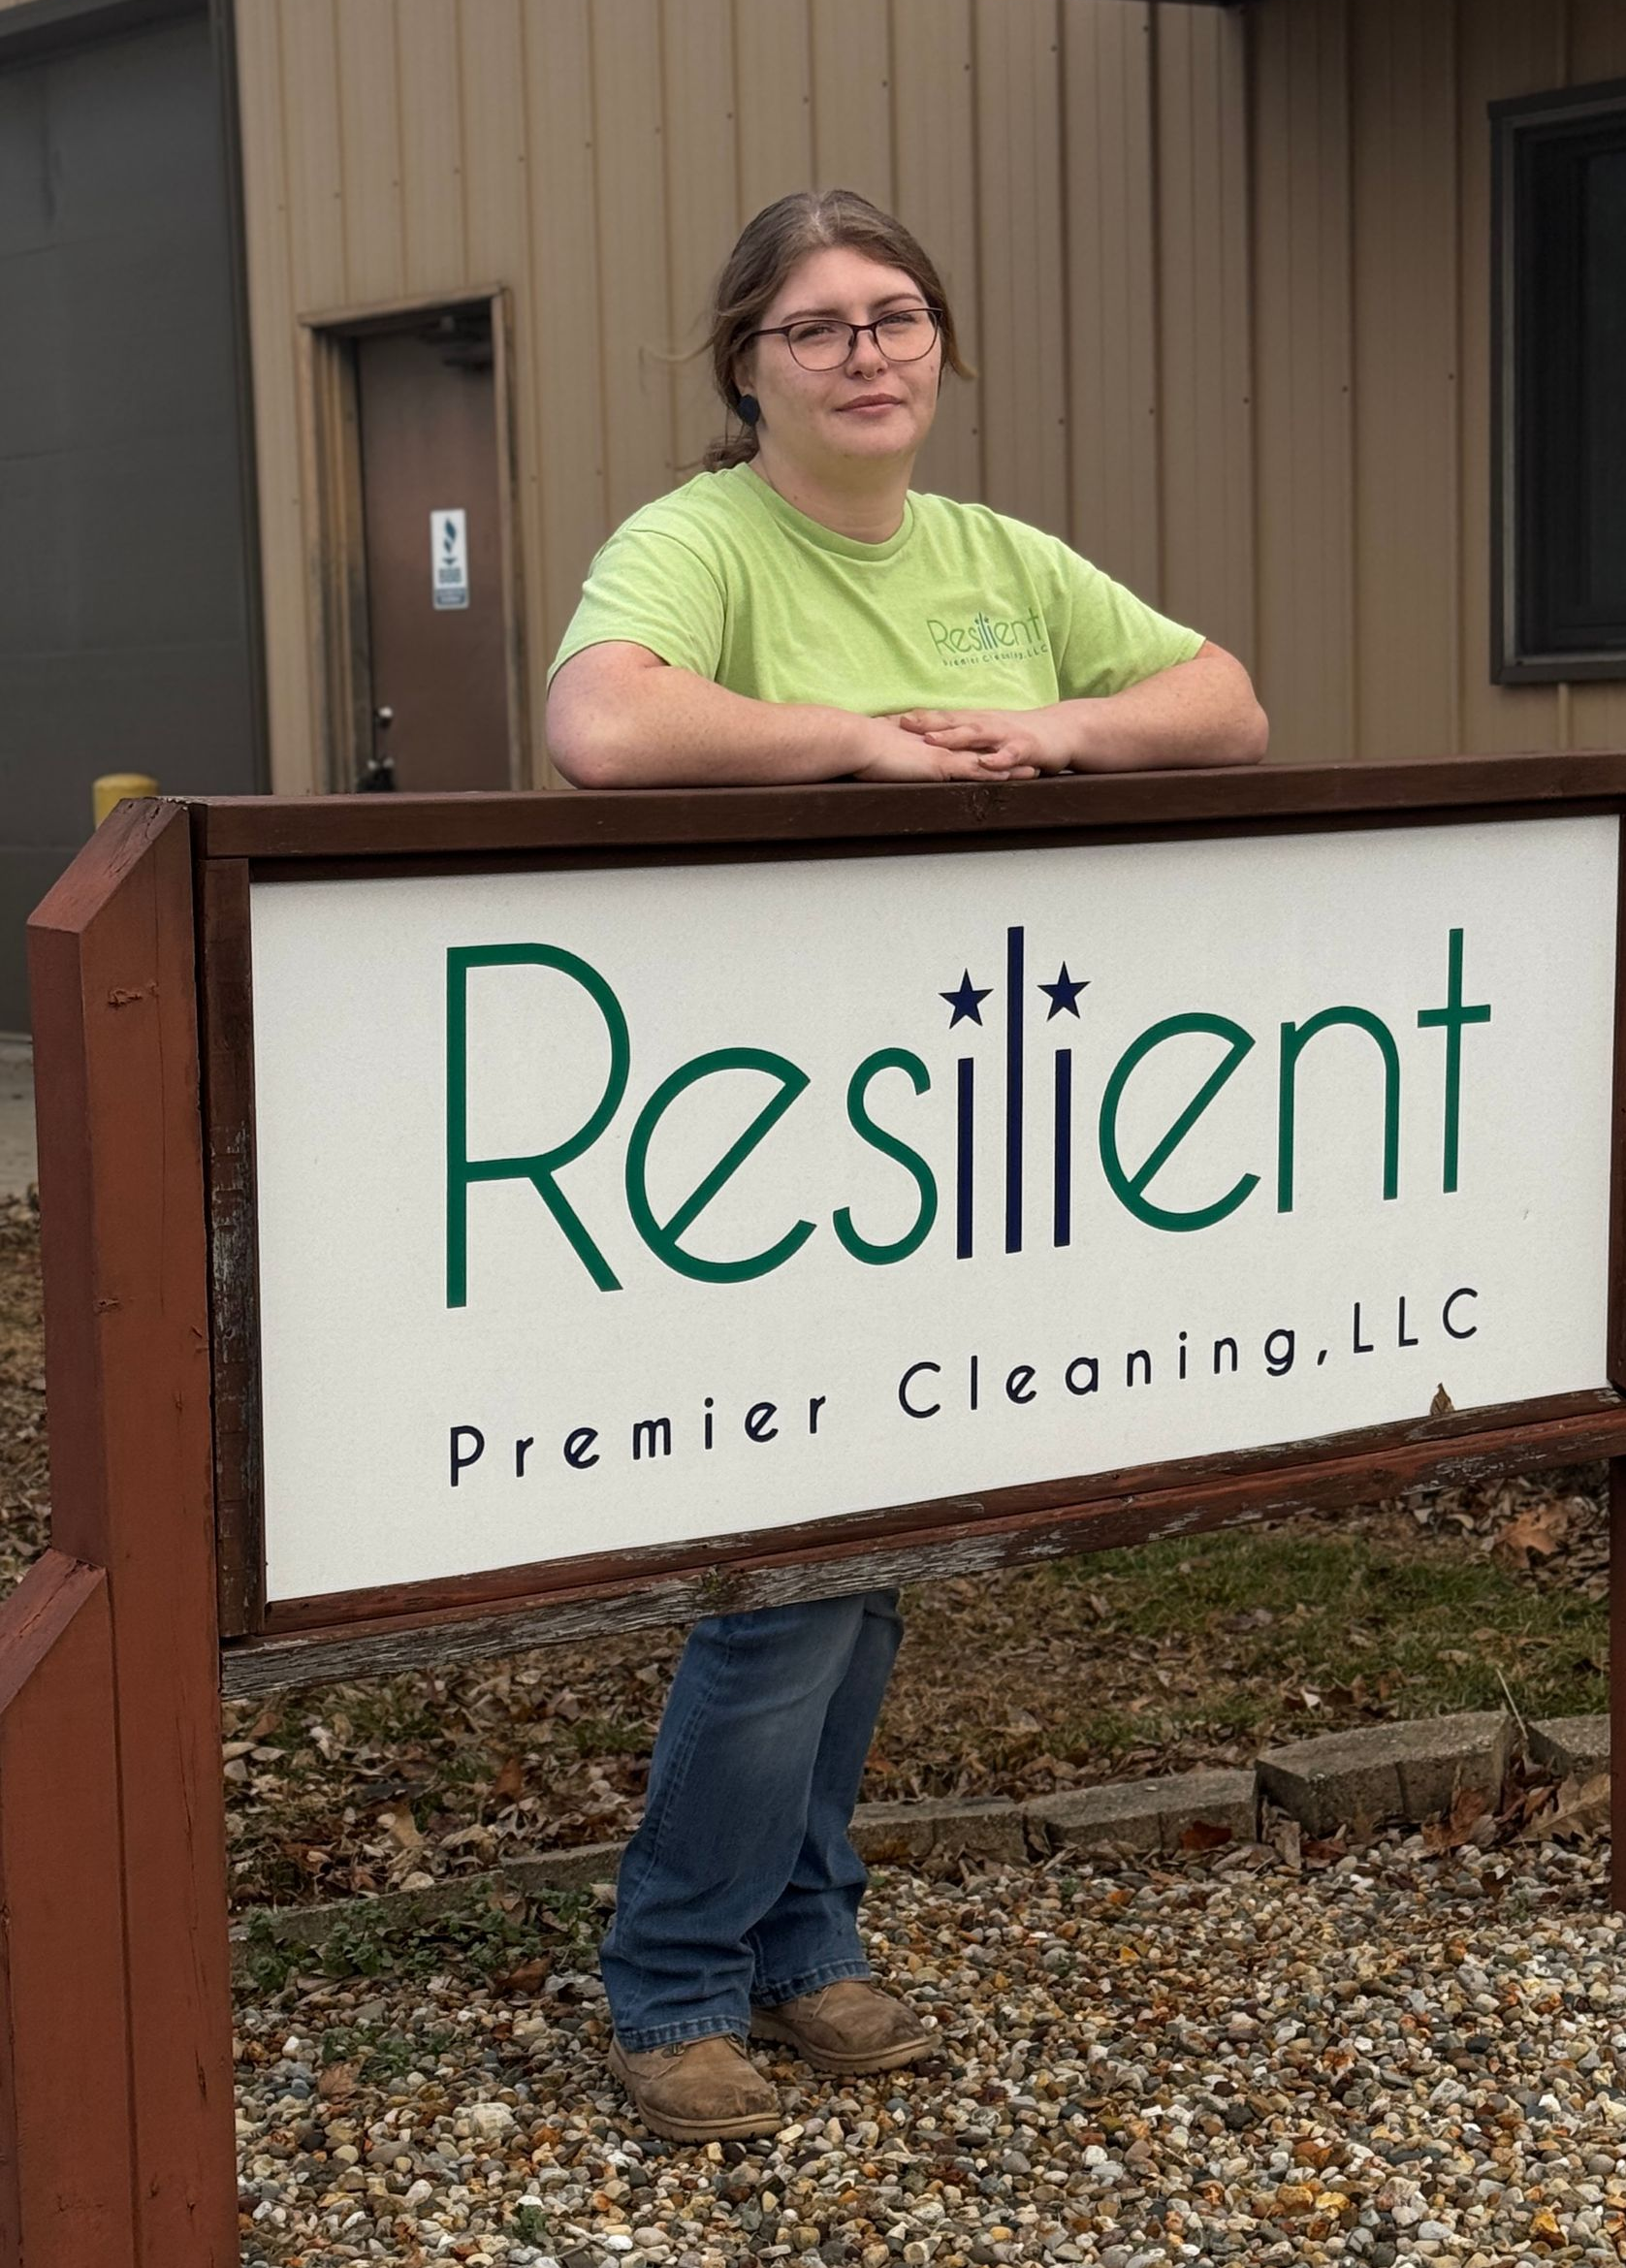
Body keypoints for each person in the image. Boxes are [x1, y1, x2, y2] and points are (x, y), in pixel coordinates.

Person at [545, 188, 1269, 2143]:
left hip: (964, 1127)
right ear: (746, 365)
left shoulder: (996, 552)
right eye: (818, 326)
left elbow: (1225, 699)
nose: (866, 351)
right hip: (773, 1129)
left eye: (897, 316)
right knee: (788, 1564)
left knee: (865, 1564)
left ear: (941, 345)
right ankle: (678, 1975)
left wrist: (1065, 723)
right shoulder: (698, 540)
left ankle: (801, 1942)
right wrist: (852, 744)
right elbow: (601, 726)